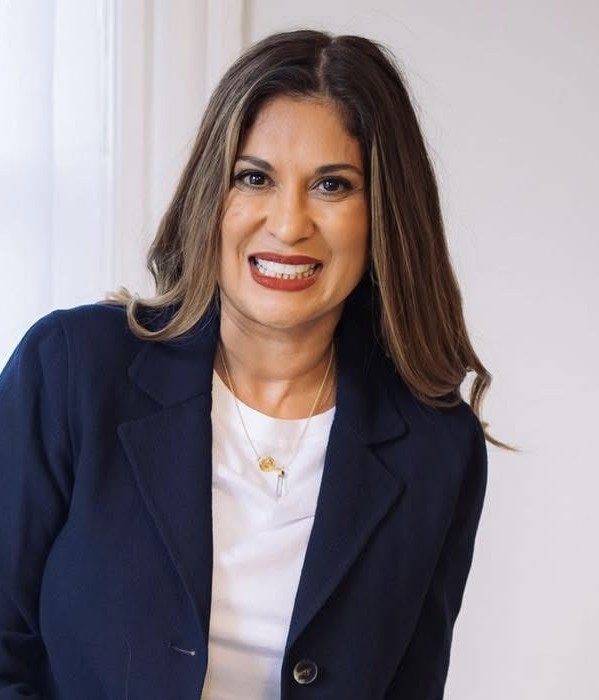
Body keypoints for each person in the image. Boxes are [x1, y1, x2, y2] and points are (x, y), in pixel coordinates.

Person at [0, 29, 496, 699]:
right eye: (254, 178)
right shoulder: (72, 370)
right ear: (212, 195)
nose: (289, 224)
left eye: (332, 185)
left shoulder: (436, 448)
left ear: (382, 213)